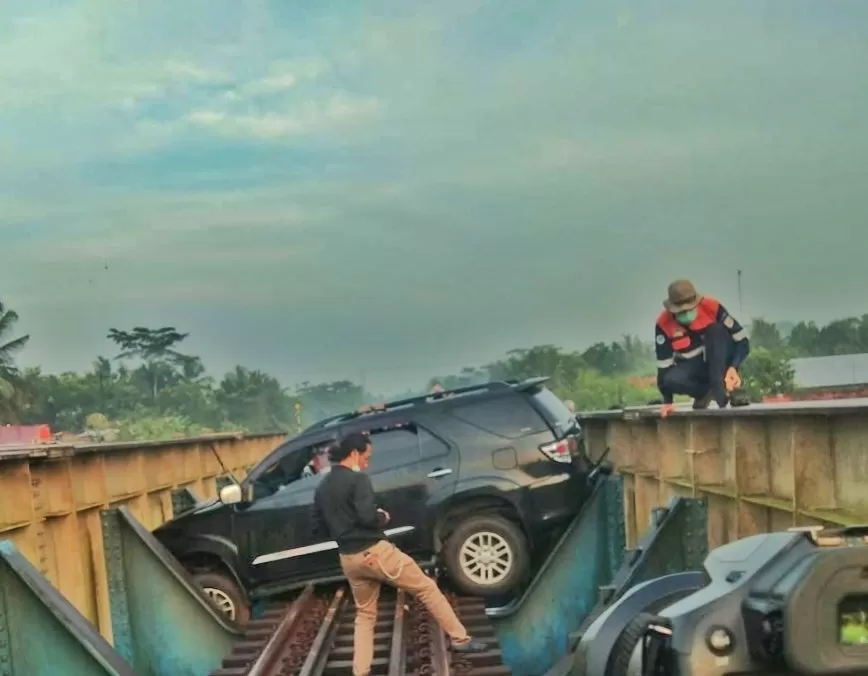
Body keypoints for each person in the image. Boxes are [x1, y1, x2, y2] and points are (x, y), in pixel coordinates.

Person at [312, 433, 486, 676]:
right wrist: (382, 516)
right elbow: (367, 517)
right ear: (354, 454)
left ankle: (360, 672)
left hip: (349, 559)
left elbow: (318, 528)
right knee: (426, 588)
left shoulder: (322, 488)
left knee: (365, 614)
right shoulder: (357, 480)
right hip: (375, 552)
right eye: (366, 457)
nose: (366, 463)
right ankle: (460, 639)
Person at [655, 279, 750, 415]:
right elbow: (664, 365)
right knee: (670, 380)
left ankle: (720, 391)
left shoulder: (712, 308)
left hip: (720, 360)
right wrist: (667, 402)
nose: (686, 313)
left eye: (689, 308)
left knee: (715, 330)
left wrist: (733, 367)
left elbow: (742, 342)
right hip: (694, 366)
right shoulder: (663, 323)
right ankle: (704, 393)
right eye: (680, 311)